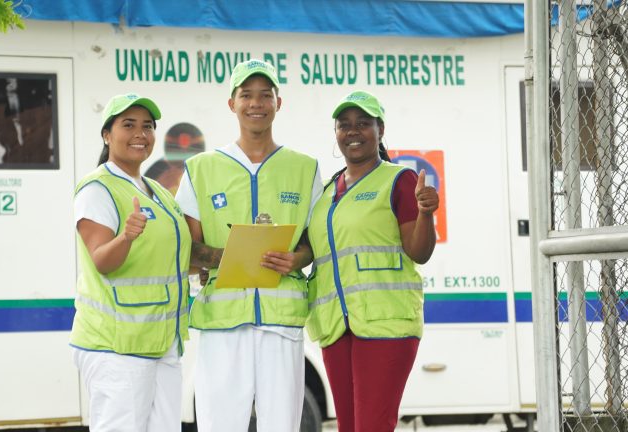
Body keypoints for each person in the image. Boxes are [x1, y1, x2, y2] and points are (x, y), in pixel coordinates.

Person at [174, 59, 323, 432]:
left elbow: (315, 241)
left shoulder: (304, 168)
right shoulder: (201, 169)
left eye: (265, 95)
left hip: (281, 324)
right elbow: (185, 250)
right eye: (246, 95)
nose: (256, 103)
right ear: (232, 104)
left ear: (278, 103)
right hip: (223, 325)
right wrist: (229, 256)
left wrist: (296, 258)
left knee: (282, 426)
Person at [305, 90, 439, 432]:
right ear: (335, 133)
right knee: (349, 427)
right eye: (344, 124)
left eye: (363, 123)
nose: (353, 131)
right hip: (337, 326)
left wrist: (426, 214)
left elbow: (418, 251)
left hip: (386, 324)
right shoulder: (325, 191)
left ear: (379, 130)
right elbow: (313, 251)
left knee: (372, 427)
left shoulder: (398, 179)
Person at [69, 93, 191, 432]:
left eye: (147, 126)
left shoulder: (159, 192)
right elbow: (101, 260)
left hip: (162, 342)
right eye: (128, 125)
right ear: (107, 135)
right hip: (118, 347)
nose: (140, 133)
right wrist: (125, 237)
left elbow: (174, 259)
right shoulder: (97, 189)